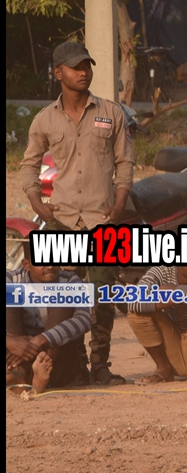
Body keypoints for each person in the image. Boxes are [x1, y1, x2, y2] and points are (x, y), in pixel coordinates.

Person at [19, 41, 133, 386]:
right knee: (62, 297)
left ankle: (100, 365)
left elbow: (125, 162)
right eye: (75, 67)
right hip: (63, 220)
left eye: (87, 66)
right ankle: (75, 364)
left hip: (103, 220)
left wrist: (120, 200)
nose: (84, 72)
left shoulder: (111, 112)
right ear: (58, 73)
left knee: (102, 298)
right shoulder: (44, 119)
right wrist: (36, 201)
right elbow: (29, 164)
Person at [6, 240, 91, 392]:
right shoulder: (11, 280)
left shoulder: (70, 281)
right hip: (15, 354)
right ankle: (19, 372)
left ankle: (41, 371)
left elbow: (84, 320)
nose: (50, 266)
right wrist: (11, 342)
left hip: (57, 359)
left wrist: (43, 339)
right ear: (26, 265)